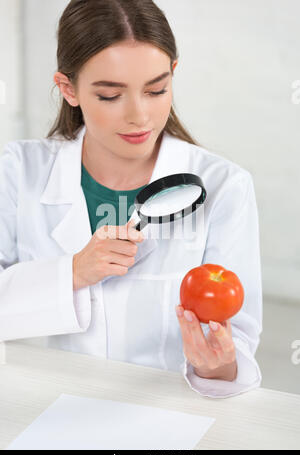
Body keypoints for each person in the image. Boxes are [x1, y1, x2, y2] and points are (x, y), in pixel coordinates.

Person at [0, 0, 262, 398]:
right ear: (68, 88)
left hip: (166, 416)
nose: (140, 116)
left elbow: (236, 339)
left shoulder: (226, 186)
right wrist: (72, 272)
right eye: (110, 95)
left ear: (174, 74)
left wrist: (219, 365)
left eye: (156, 90)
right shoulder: (17, 171)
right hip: (38, 408)